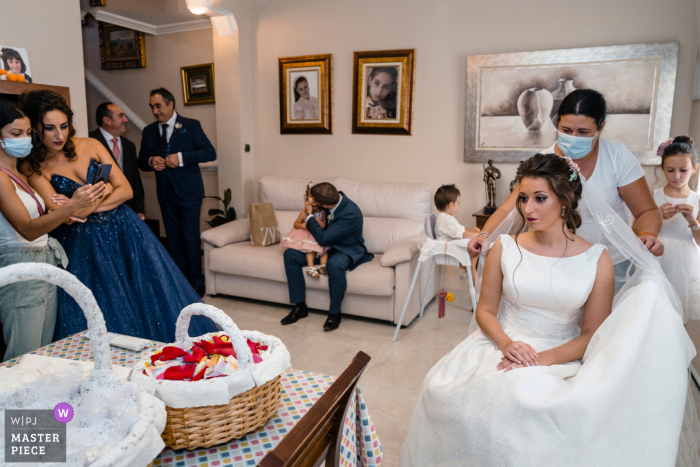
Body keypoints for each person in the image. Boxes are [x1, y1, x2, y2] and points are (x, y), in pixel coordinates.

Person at [402, 153, 694, 466]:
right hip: (504, 341)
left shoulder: (597, 259)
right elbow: (485, 311)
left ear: (566, 200)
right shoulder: (505, 247)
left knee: (526, 400)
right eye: (524, 198)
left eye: (540, 198)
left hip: (561, 352)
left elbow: (593, 332)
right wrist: (507, 343)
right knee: (444, 393)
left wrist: (541, 360)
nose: (528, 209)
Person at [18, 89, 217, 343]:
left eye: (64, 126)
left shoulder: (90, 144)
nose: (60, 135)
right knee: (104, 306)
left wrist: (85, 205)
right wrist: (101, 193)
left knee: (150, 295)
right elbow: (64, 216)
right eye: (49, 128)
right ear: (35, 128)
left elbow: (126, 190)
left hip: (126, 230)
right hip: (83, 245)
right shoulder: (33, 166)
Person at [468, 89, 663, 294]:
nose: (573, 137)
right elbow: (510, 208)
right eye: (566, 130)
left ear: (601, 127)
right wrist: (484, 235)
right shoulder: (543, 161)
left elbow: (647, 211)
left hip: (610, 262)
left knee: (604, 324)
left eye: (583, 132)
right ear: (556, 124)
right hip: (553, 260)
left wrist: (648, 234)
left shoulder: (617, 157)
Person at [0, 99, 104, 361]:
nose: (24, 139)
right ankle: (12, 403)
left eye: (27, 133)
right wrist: (71, 208)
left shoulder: (18, 172)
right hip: (20, 262)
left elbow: (37, 218)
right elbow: (27, 229)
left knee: (41, 350)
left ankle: (38, 402)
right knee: (22, 354)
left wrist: (57, 210)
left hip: (43, 258)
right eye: (15, 134)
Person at [137, 88, 216, 297]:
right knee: (173, 239)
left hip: (189, 192)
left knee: (189, 237)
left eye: (158, 106)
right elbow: (141, 160)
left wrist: (180, 158)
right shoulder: (148, 131)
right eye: (152, 107)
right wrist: (150, 161)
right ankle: (180, 282)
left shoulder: (190, 125)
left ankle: (197, 282)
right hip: (165, 193)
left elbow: (209, 152)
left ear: (171, 104)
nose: (155, 111)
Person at [280, 182, 373, 331]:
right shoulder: (329, 203)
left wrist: (310, 216)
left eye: (315, 200)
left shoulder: (351, 212)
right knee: (290, 254)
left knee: (334, 265)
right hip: (324, 249)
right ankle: (300, 307)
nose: (312, 202)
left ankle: (334, 313)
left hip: (345, 249)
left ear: (324, 203)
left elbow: (324, 238)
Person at [653, 136, 700, 322]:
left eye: (683, 170)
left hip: (686, 263)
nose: (677, 176)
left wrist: (692, 220)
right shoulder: (653, 196)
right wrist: (657, 215)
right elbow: (636, 230)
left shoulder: (697, 200)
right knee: (654, 312)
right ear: (663, 169)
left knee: (680, 317)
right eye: (670, 170)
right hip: (657, 258)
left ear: (695, 169)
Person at [89, 102, 145, 219]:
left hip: (128, 209)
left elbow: (135, 179)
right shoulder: (90, 141)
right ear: (107, 120)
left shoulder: (129, 145)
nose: (125, 120)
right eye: (121, 116)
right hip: (102, 210)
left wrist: (139, 209)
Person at [280, 182, 329, 278]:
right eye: (311, 196)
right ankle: (310, 268)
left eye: (316, 197)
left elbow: (324, 225)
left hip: (318, 235)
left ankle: (324, 266)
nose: (313, 199)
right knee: (309, 249)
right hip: (307, 236)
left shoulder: (323, 212)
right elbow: (296, 224)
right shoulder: (304, 212)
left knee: (324, 250)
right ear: (307, 198)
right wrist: (303, 225)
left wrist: (316, 219)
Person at [433, 184, 480, 282]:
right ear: (450, 205)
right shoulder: (446, 220)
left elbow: (460, 229)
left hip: (451, 248)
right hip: (448, 251)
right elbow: (462, 234)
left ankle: (470, 270)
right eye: (458, 203)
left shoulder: (446, 218)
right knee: (476, 245)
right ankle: (471, 271)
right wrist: (478, 236)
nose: (458, 205)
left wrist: (471, 230)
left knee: (475, 246)